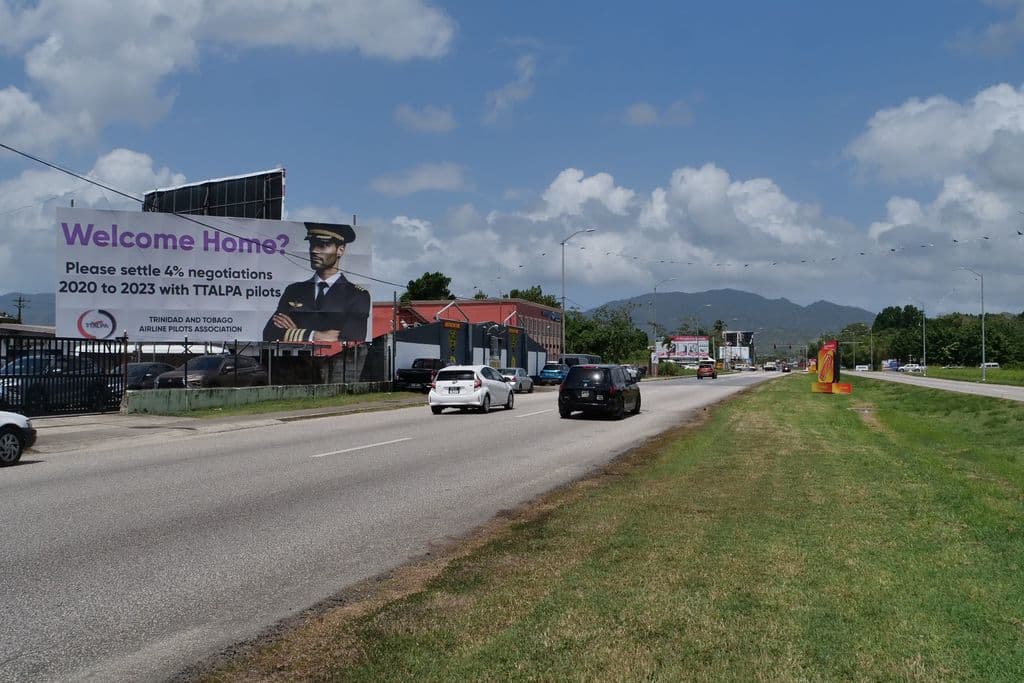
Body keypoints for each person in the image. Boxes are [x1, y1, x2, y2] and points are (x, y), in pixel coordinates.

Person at [263, 222, 370, 343]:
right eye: (312, 244)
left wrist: (294, 332)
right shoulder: (294, 290)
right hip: (295, 359)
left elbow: (352, 338)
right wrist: (313, 335)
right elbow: (270, 333)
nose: (314, 250)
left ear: (340, 250)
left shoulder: (357, 295)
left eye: (322, 245)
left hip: (335, 360)